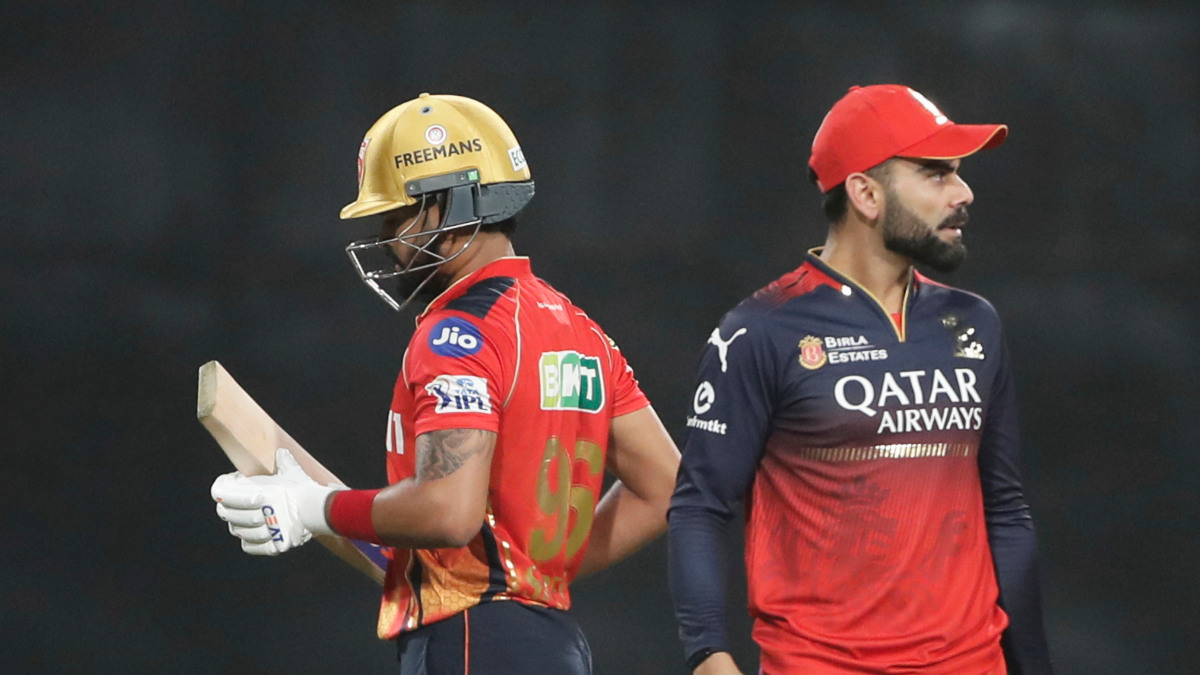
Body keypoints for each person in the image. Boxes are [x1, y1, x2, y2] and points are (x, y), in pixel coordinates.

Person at [210, 93, 681, 674]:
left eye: (396, 216)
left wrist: (316, 508)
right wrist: (526, 571)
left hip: (473, 641)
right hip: (551, 644)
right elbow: (666, 486)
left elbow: (448, 509)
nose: (388, 238)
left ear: (449, 208)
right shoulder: (580, 330)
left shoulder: (455, 334)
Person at [668, 84, 1052, 674]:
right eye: (935, 173)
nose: (963, 192)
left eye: (958, 173)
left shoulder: (975, 323)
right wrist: (707, 657)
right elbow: (699, 505)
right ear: (866, 194)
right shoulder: (761, 330)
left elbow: (1004, 509)